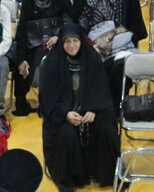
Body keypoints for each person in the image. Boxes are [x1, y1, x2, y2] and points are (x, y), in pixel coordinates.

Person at [40, 23, 120, 191]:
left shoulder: (92, 58)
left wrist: (93, 109)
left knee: (106, 130)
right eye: (67, 41)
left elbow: (102, 90)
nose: (72, 45)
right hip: (62, 114)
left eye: (75, 40)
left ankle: (105, 175)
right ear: (61, 42)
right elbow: (47, 100)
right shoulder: (52, 63)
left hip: (91, 110)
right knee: (66, 135)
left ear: (82, 41)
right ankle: (73, 178)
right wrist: (65, 114)